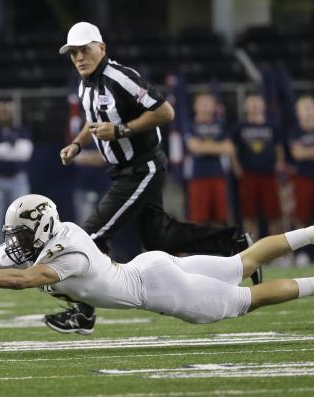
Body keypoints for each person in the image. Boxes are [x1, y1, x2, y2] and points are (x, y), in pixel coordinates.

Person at [53, 22, 258, 334]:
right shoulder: (85, 84)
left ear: (102, 48)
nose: (80, 57)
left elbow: (165, 112)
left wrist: (121, 130)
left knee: (91, 238)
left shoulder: (119, 77)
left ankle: (84, 314)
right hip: (123, 171)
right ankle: (233, 242)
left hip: (141, 168)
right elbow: (94, 119)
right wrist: (78, 143)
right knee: (160, 238)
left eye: (85, 49)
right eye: (74, 53)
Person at [0, 194, 314, 328]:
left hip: (157, 287)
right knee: (241, 262)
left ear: (41, 228)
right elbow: (1, 263)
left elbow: (23, 279)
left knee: (244, 300)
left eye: (20, 234)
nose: (15, 243)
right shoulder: (48, 238)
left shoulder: (68, 250)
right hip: (149, 268)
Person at [0, 100, 33, 257]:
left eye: (8, 111)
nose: (5, 114)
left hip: (18, 180)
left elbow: (24, 153)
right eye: (2, 111)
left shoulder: (21, 130)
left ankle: (22, 261)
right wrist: (8, 148)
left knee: (21, 222)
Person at [231, 93, 285, 239]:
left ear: (263, 105)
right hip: (248, 175)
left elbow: (278, 147)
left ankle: (276, 252)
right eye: (251, 103)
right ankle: (252, 249)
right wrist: (236, 167)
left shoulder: (272, 125)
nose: (254, 106)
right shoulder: (240, 126)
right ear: (246, 106)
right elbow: (232, 149)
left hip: (269, 175)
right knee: (249, 215)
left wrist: (280, 164)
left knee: (274, 214)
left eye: (257, 102)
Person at [183, 93, 235, 225]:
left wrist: (203, 147)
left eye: (209, 102)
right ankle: (199, 246)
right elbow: (194, 147)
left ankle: (219, 246)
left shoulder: (221, 124)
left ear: (214, 106)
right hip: (198, 176)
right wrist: (218, 147)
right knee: (198, 218)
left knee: (220, 217)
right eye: (202, 102)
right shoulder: (190, 124)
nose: (206, 106)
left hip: (219, 175)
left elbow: (229, 148)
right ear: (195, 106)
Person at [289, 95, 314, 266]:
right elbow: (298, 154)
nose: (309, 112)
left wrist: (307, 151)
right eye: (304, 108)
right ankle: (301, 253)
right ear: (298, 113)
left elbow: (303, 153)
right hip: (303, 179)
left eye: (311, 107)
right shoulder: (295, 132)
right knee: (301, 218)